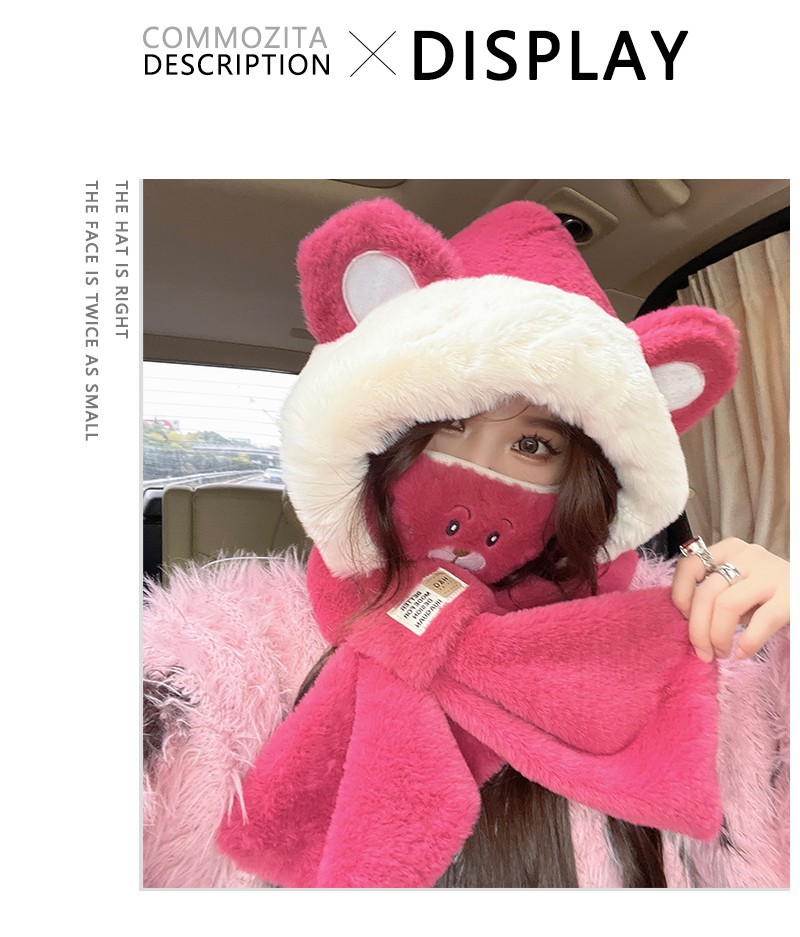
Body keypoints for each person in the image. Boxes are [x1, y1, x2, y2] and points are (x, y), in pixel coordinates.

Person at [143, 198, 789, 889]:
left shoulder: (683, 643)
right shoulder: (233, 647)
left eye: (533, 445)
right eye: (446, 423)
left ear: (583, 478)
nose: (479, 478)